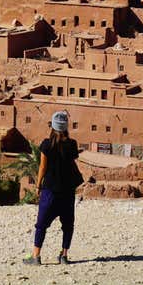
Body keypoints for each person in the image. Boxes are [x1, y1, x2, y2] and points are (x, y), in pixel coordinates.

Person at [23, 111, 82, 266]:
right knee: (68, 225)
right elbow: (72, 161)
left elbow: (42, 166)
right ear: (66, 127)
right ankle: (64, 256)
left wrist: (38, 185)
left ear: (52, 126)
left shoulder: (46, 145)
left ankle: (36, 257)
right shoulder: (72, 144)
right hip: (67, 191)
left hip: (50, 190)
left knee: (41, 224)